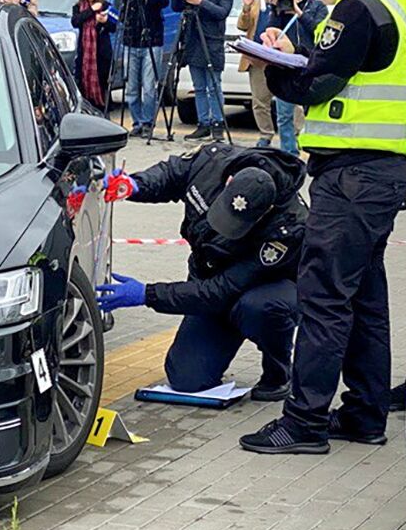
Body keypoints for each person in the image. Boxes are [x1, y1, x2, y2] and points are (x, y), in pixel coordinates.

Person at [238, 0, 406, 454]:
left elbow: (319, 83)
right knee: (364, 297)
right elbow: (343, 68)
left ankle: (304, 422)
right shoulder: (402, 4)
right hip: (380, 172)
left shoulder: (357, 8)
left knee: (322, 297)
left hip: (351, 177)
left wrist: (271, 68)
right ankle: (364, 414)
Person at [95, 145, 308, 400]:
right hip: (209, 281)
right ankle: (222, 332)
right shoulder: (212, 160)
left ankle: (278, 372)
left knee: (261, 308)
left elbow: (221, 290)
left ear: (267, 209)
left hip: (259, 291)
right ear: (228, 182)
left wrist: (147, 294)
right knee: (186, 379)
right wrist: (134, 185)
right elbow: (172, 174)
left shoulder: (289, 228)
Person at [266, 0, 329, 156]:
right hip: (286, 63)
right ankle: (288, 152)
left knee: (312, 111)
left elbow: (319, 31)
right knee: (284, 114)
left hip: (311, 62)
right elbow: (271, 31)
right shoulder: (282, 5)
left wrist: (299, 13)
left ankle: (310, 147)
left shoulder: (317, 6)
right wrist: (277, 10)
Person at [173, 0, 235, 142]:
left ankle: (218, 124)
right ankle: (203, 124)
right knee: (198, 87)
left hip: (212, 42)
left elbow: (221, 12)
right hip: (194, 42)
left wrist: (201, 2)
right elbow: (176, 7)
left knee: (214, 86)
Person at [110, 0, 169, 139]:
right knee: (131, 87)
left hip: (152, 43)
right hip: (131, 41)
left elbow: (163, 2)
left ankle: (147, 122)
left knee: (149, 86)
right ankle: (136, 122)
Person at [240, 0, 278, 146]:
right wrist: (247, 7)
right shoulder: (254, 3)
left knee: (290, 102)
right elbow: (242, 25)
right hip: (257, 57)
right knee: (259, 100)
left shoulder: (279, 1)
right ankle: (265, 134)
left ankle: (296, 134)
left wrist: (271, 0)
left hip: (279, 56)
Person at [70, 0, 115, 109]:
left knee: (102, 83)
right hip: (85, 54)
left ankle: (103, 109)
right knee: (83, 82)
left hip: (101, 53)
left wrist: (104, 22)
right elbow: (76, 22)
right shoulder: (79, 7)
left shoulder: (105, 5)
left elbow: (114, 27)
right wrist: (91, 10)